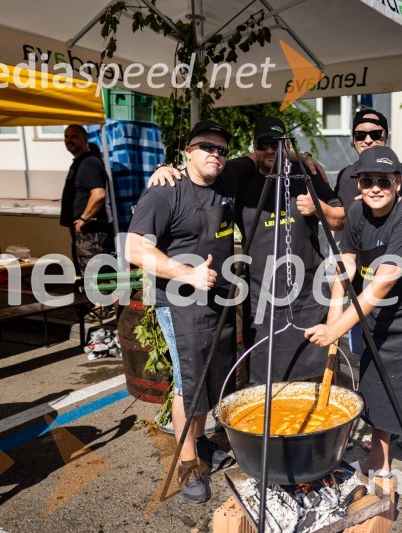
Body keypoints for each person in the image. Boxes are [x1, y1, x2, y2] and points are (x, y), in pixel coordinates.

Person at [305, 146, 402, 529]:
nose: (376, 187)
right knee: (376, 392)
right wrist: (334, 314)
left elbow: (381, 283)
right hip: (374, 317)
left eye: (384, 180)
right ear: (358, 185)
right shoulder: (355, 213)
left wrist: (337, 328)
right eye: (368, 181)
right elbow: (347, 263)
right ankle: (375, 462)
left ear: (397, 183)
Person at [126, 120, 255, 504]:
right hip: (181, 305)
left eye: (221, 149)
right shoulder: (165, 192)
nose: (215, 154)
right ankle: (185, 464)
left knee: (213, 377)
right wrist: (187, 273)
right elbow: (134, 249)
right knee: (190, 383)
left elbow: (258, 154)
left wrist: (304, 157)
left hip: (216, 300)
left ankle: (198, 442)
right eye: (206, 147)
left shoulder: (225, 179)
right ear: (187, 152)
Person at [236, 116, 344, 382]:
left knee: (316, 376)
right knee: (264, 381)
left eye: (277, 143)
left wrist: (319, 207)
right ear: (254, 146)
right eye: (264, 144)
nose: (270, 149)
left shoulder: (305, 176)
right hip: (263, 297)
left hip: (308, 295)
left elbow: (341, 218)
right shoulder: (242, 180)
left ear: (286, 146)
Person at [335, 109, 402, 217]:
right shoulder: (345, 175)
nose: (368, 140)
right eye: (360, 135)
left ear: (386, 138)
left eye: (376, 134)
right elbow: (338, 218)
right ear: (354, 140)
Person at [60, 125, 113, 274]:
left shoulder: (89, 162)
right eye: (66, 136)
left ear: (85, 139)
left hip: (91, 231)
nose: (69, 140)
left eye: (74, 136)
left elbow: (98, 194)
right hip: (84, 232)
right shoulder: (79, 162)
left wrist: (83, 219)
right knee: (88, 278)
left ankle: (100, 298)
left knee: (94, 280)